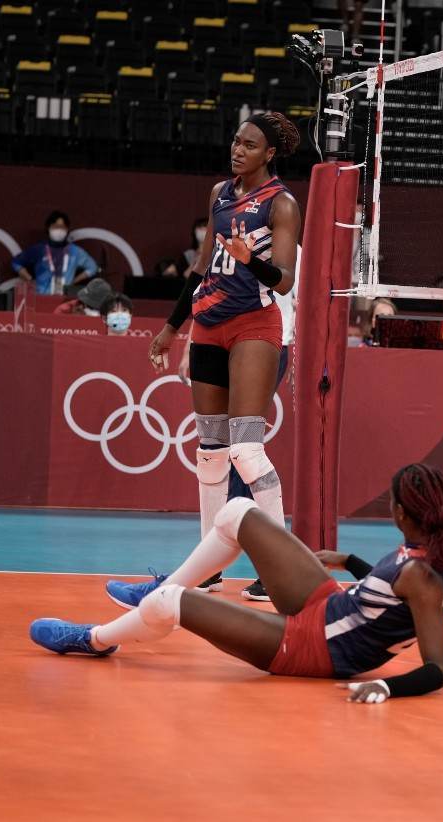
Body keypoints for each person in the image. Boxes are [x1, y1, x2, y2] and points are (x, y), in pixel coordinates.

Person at [31, 464, 443, 704]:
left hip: (315, 647)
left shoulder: (422, 577)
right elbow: (388, 604)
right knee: (238, 511)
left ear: (403, 514)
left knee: (169, 604)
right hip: (330, 605)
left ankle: (94, 639)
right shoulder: (435, 544)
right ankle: (152, 592)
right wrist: (349, 561)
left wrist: (385, 686)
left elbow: (437, 670)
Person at [143, 112, 302, 601]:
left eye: (250, 145)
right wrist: (172, 328)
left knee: (246, 449)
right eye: (236, 141)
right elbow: (200, 266)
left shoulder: (282, 204)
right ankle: (206, 569)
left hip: (254, 325)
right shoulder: (219, 194)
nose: (238, 150)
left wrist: (248, 256)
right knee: (209, 454)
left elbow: (285, 279)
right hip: (208, 325)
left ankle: (283, 568)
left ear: (269, 154)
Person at [11, 211, 98, 295]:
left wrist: (73, 281)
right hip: (40, 297)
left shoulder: (75, 251)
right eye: (55, 227)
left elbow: (92, 267)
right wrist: (29, 278)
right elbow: (16, 262)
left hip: (65, 299)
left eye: (62, 227)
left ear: (67, 229)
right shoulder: (39, 249)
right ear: (48, 228)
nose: (59, 230)